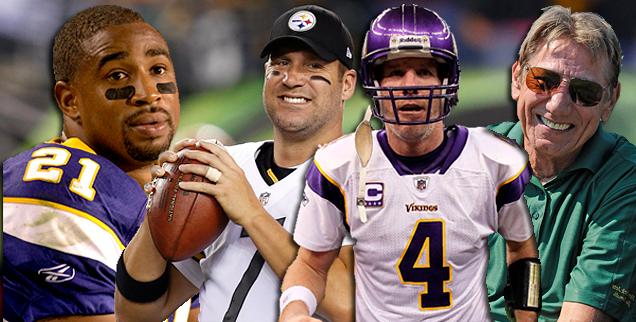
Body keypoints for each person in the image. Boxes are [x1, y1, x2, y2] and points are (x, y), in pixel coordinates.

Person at [279, 4, 541, 322]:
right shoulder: (339, 165)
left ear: (447, 80)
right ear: (374, 82)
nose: (410, 83)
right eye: (395, 71)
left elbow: (522, 253)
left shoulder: (492, 160)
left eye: (425, 71)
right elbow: (310, 264)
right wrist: (294, 311)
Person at [115, 5, 357, 322]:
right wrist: (158, 211)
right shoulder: (227, 166)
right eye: (280, 64)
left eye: (314, 67)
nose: (292, 79)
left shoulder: (368, 174)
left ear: (347, 84)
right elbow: (136, 313)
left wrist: (252, 212)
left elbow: (350, 305)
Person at [2, 5, 180, 321]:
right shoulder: (56, 190)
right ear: (70, 101)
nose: (148, 93)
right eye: (118, 75)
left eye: (158, 69)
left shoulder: (165, 188)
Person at [486, 5, 635, 322]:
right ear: (517, 78)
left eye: (585, 91)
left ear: (609, 101)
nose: (557, 104)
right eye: (543, 80)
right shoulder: (469, 157)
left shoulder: (626, 182)